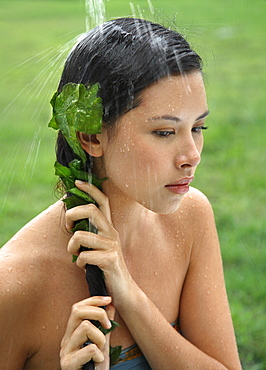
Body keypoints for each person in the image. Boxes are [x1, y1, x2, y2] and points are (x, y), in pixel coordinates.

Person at [0, 17, 242, 369]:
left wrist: (129, 296)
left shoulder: (190, 217)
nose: (192, 155)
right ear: (91, 137)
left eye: (198, 127)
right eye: (164, 132)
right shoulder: (15, 285)